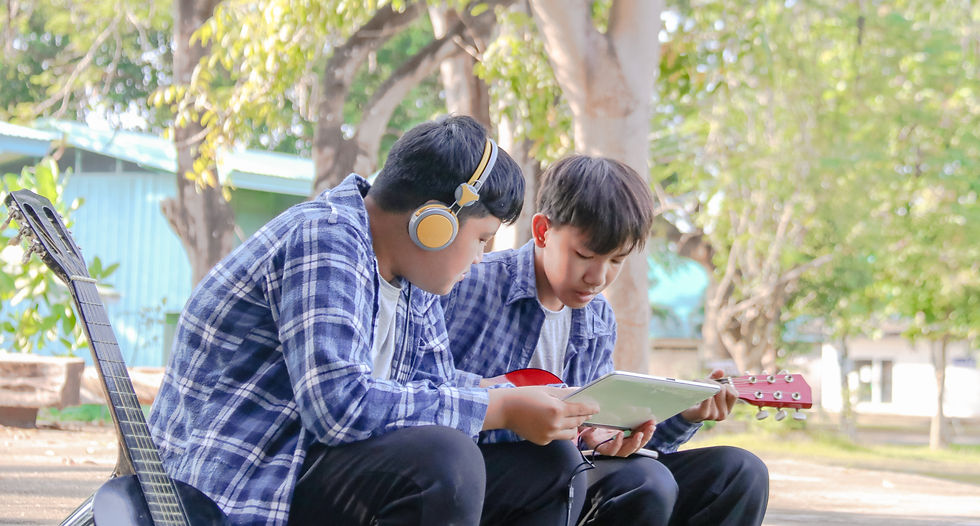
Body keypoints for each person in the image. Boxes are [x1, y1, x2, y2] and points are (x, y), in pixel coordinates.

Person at [147, 115, 600, 526]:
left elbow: (436, 386)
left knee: (553, 467)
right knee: (445, 459)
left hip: (314, 469)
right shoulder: (325, 237)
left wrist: (541, 407)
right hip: (243, 484)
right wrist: (498, 409)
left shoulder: (413, 279)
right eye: (482, 238)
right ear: (435, 222)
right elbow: (340, 405)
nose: (481, 257)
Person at [442, 154, 770, 525]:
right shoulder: (469, 283)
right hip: (481, 475)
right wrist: (508, 404)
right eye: (585, 255)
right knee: (633, 479)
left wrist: (667, 420)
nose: (598, 277)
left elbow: (599, 436)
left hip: (568, 475)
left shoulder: (598, 318)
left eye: (616, 260)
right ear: (542, 231)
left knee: (737, 471)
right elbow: (419, 386)